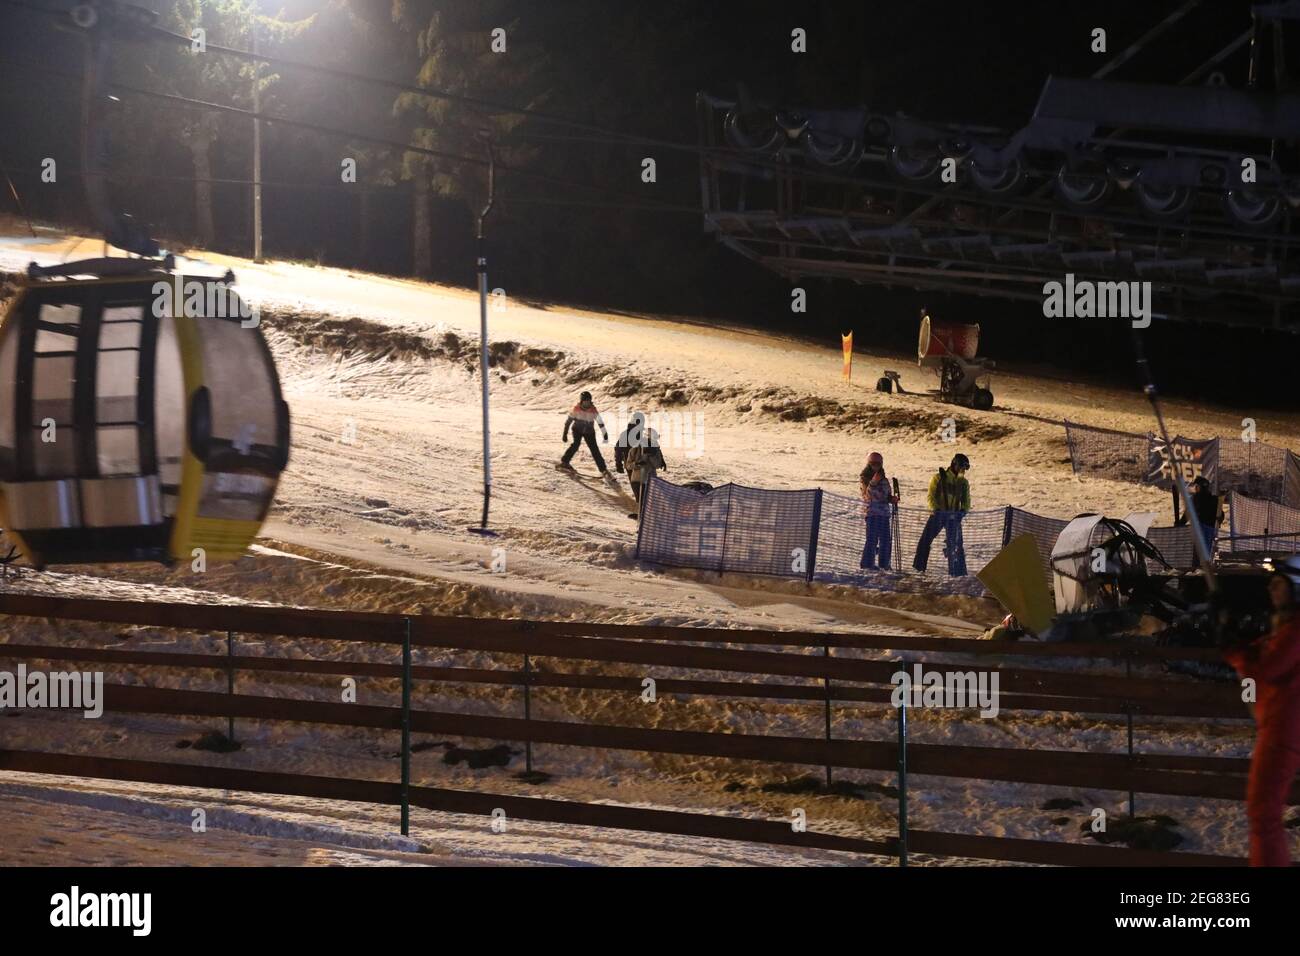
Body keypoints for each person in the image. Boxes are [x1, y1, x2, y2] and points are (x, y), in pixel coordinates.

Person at [1223, 556, 1300, 866]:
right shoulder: (1285, 628)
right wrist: (1234, 640)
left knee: (1263, 812)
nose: (1271, 588)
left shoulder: (1296, 631)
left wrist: (1235, 650)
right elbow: (1261, 654)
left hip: (1285, 730)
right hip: (1278, 725)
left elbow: (1266, 668)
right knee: (1262, 812)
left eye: (1278, 583)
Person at [913, 453, 971, 576]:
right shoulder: (938, 477)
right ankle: (918, 569)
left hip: (954, 518)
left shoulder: (963, 483)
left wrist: (963, 511)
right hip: (938, 515)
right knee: (925, 541)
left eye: (964, 468)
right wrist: (935, 509)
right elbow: (931, 496)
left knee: (956, 545)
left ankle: (958, 573)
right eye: (961, 467)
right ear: (954, 464)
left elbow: (966, 501)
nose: (962, 470)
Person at [615, 411, 666, 513]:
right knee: (637, 486)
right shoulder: (626, 434)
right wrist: (618, 463)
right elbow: (618, 449)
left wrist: (662, 461)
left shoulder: (643, 434)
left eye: (641, 422)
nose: (639, 424)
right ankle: (641, 510)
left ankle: (643, 510)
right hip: (630, 463)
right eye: (637, 422)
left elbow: (654, 447)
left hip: (643, 462)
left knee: (645, 487)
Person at [858, 451, 898, 569]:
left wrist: (892, 499)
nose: (876, 466)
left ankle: (884, 564)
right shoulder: (865, 478)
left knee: (885, 541)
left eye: (878, 463)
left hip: (884, 514)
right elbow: (867, 495)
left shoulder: (883, 478)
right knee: (872, 540)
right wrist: (873, 482)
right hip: (872, 513)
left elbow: (886, 495)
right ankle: (867, 564)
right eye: (873, 463)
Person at [559, 391, 609, 473]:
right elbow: (568, 422)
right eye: (585, 401)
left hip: (589, 432)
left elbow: (600, 422)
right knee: (576, 445)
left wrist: (604, 433)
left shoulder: (593, 410)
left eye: (588, 401)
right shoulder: (576, 409)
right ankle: (565, 461)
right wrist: (565, 434)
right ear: (582, 401)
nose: (587, 403)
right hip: (577, 430)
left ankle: (603, 469)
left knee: (594, 449)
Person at [1175, 475, 1223, 553]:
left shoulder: (1194, 499)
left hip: (1200, 533)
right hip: (1212, 533)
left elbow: (1187, 516)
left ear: (1198, 487)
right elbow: (1221, 516)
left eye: (1195, 486)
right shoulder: (1215, 500)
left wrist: (1179, 524)